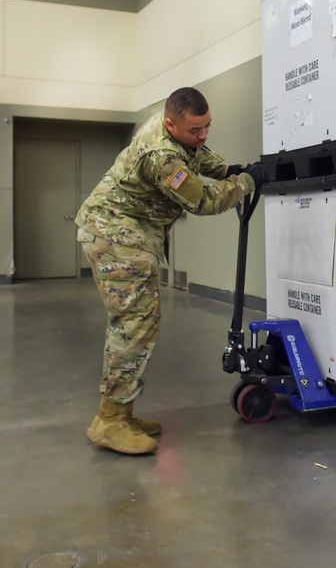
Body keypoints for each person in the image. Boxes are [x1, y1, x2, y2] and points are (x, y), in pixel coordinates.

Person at [76, 87, 269, 455]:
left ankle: (121, 413)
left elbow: (197, 155)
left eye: (208, 126)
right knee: (134, 325)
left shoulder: (174, 133)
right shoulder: (160, 157)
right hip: (116, 235)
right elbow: (202, 200)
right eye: (195, 130)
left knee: (139, 324)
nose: (203, 136)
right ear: (170, 123)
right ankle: (110, 421)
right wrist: (246, 182)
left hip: (130, 234)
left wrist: (226, 169)